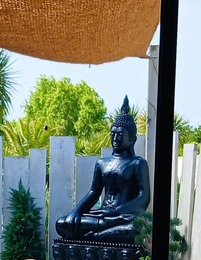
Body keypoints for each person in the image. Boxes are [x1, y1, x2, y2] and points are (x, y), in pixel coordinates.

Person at [55, 97, 150, 243]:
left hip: (123, 216)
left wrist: (118, 211)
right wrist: (75, 212)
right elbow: (94, 193)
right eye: (113, 134)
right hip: (102, 216)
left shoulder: (138, 163)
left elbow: (144, 197)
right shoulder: (102, 163)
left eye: (120, 134)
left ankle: (97, 237)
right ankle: (103, 234)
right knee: (62, 223)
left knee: (134, 228)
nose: (115, 138)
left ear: (131, 139)